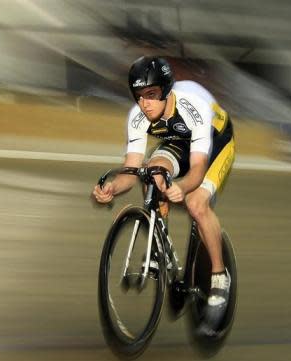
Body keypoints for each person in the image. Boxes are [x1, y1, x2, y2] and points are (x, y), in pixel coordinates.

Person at [92, 56, 235, 333]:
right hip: (177, 141)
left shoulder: (193, 108)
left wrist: (181, 188)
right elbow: (130, 172)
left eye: (152, 95)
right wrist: (112, 188)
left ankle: (219, 277)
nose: (145, 104)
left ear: (167, 91)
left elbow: (196, 171)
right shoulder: (138, 116)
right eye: (139, 96)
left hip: (215, 141)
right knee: (150, 171)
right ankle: (160, 240)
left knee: (196, 203)